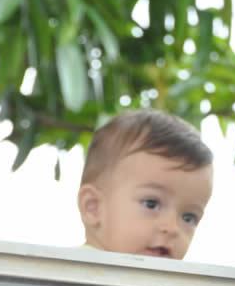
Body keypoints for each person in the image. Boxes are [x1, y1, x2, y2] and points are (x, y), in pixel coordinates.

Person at [77, 109, 214, 260]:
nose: (172, 228)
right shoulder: (68, 271)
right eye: (151, 204)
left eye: (188, 218)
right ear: (93, 207)